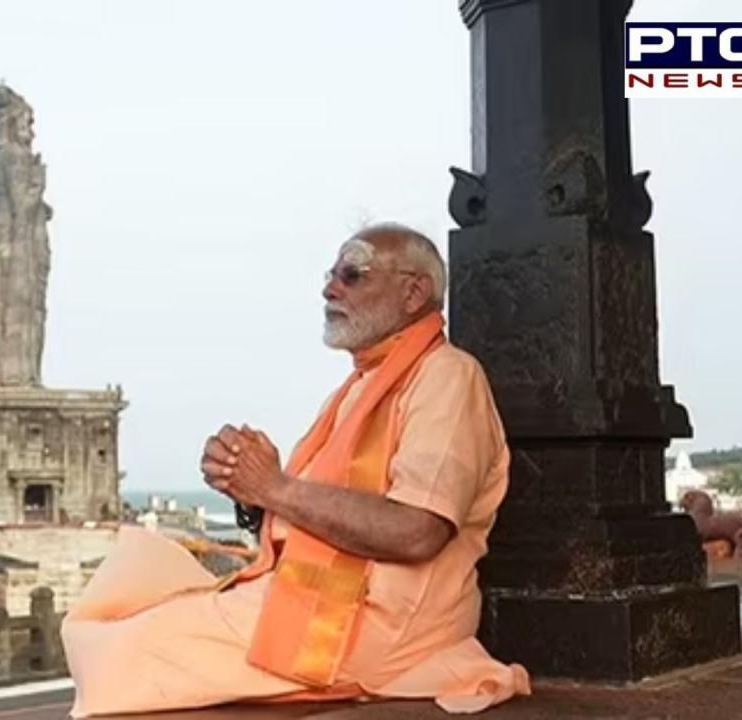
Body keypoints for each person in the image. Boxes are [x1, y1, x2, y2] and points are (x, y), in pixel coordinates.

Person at [61, 223, 530, 716]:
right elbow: (313, 519)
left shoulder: (447, 376)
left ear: (414, 292)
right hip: (324, 602)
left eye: (353, 274)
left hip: (383, 625)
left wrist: (274, 487)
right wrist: (246, 488)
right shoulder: (356, 390)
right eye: (331, 275)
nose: (330, 288)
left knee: (114, 649)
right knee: (123, 596)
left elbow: (418, 531)